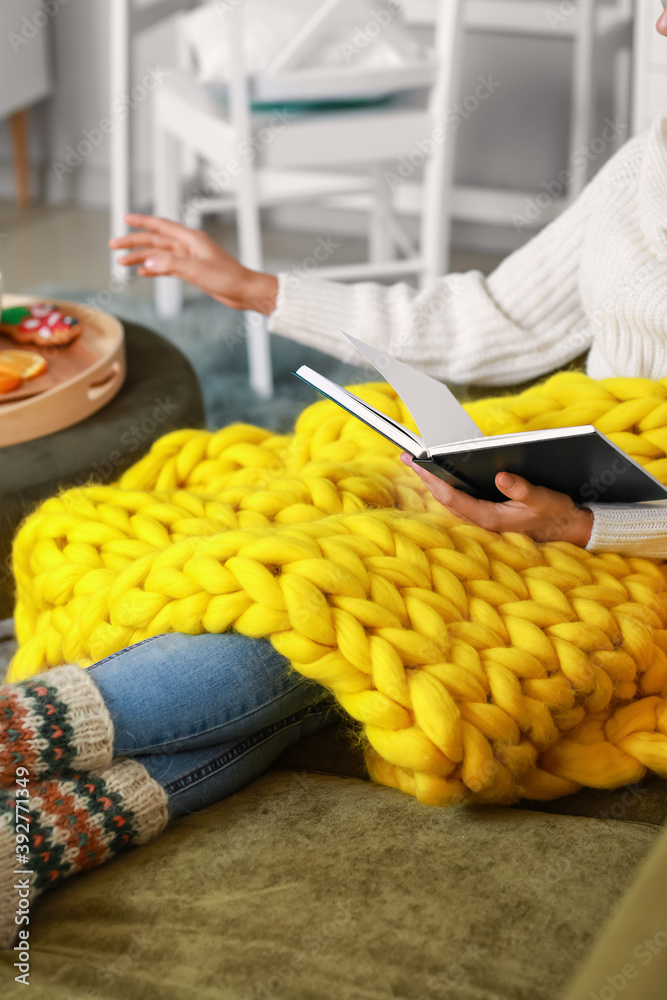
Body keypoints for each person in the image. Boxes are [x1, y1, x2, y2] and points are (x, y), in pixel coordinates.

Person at [3, 4, 667, 951]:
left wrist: (586, 528)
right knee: (303, 565)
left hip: (640, 550)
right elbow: (495, 317)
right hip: (570, 462)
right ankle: (24, 850)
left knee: (338, 607)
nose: (658, 25)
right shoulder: (653, 153)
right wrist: (256, 288)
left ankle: (16, 736)